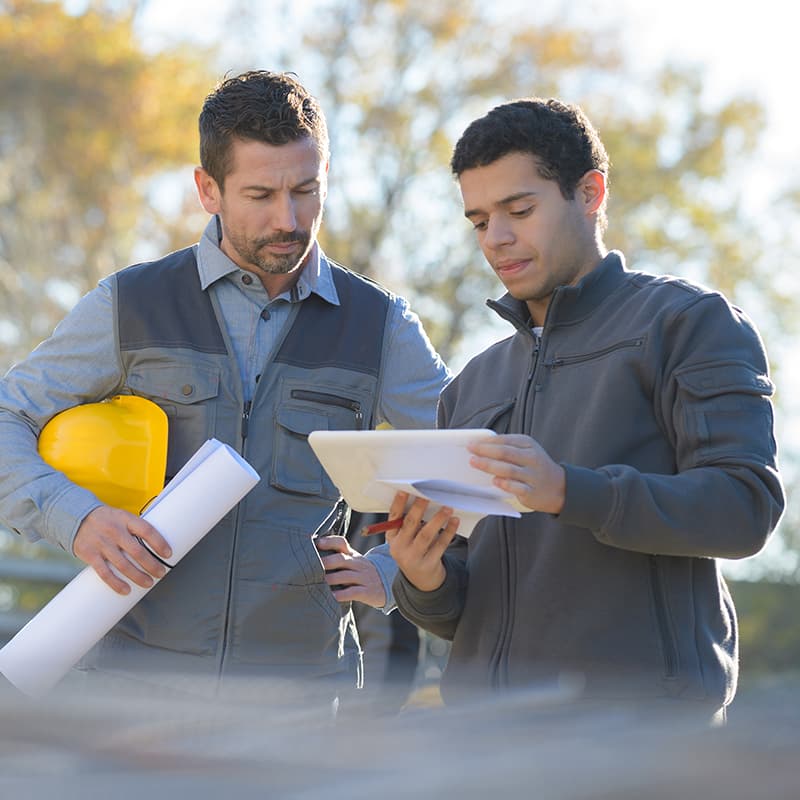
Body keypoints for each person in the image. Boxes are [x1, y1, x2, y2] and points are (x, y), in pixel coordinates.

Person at [0, 70, 449, 703]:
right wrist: (77, 519)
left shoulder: (381, 326)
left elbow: (473, 464)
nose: (288, 219)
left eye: (306, 190)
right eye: (260, 194)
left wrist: (392, 572)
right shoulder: (130, 305)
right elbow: (7, 418)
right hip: (130, 695)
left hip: (299, 704)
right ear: (208, 189)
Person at [387, 98, 785, 722]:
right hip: (483, 746)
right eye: (479, 220)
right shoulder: (471, 385)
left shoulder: (688, 325)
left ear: (591, 193)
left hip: (640, 740)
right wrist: (423, 577)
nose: (497, 238)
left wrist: (571, 491)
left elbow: (744, 508)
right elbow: (461, 609)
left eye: (520, 210)